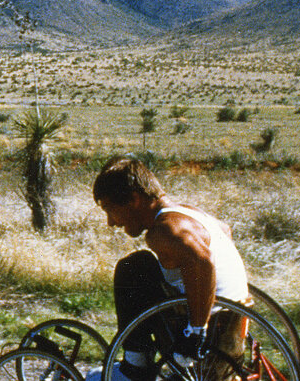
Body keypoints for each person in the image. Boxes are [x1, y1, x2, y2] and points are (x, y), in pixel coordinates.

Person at [92, 154, 249, 381]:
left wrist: (196, 331)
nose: (111, 222)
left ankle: (136, 367)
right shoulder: (189, 212)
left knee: (133, 267)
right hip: (234, 321)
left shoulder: (164, 231)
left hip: (211, 332)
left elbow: (203, 261)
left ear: (134, 200)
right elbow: (225, 231)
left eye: (110, 209)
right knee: (149, 267)